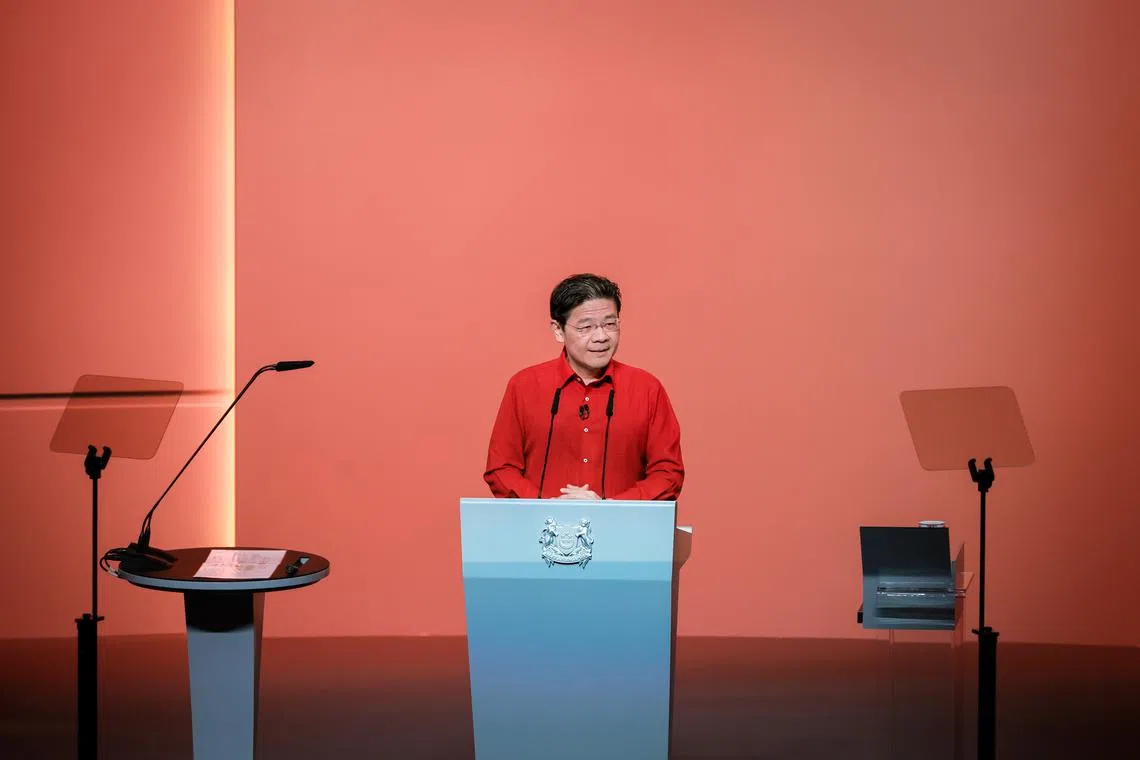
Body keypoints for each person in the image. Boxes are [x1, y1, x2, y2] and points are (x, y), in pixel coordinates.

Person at [484, 273, 684, 501]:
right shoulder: (524, 386)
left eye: (610, 324)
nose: (601, 337)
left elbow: (668, 473)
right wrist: (547, 507)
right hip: (540, 532)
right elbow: (501, 469)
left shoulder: (647, 388)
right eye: (586, 327)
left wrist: (612, 508)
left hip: (622, 533)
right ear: (558, 330)